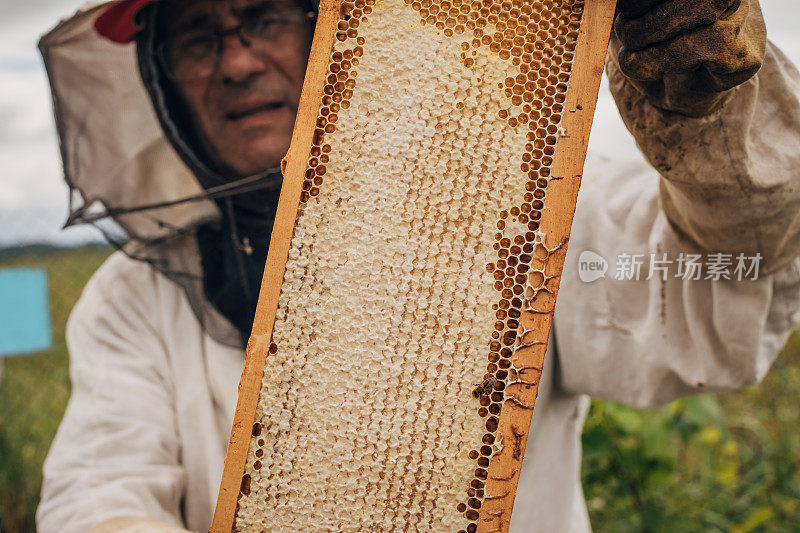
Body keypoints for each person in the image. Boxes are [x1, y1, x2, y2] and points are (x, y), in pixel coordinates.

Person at [35, 0, 800, 531]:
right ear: (164, 79)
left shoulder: (518, 209)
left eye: (261, 16)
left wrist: (708, 120)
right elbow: (98, 493)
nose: (235, 60)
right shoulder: (130, 298)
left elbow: (721, 282)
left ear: (324, 31)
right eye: (197, 37)